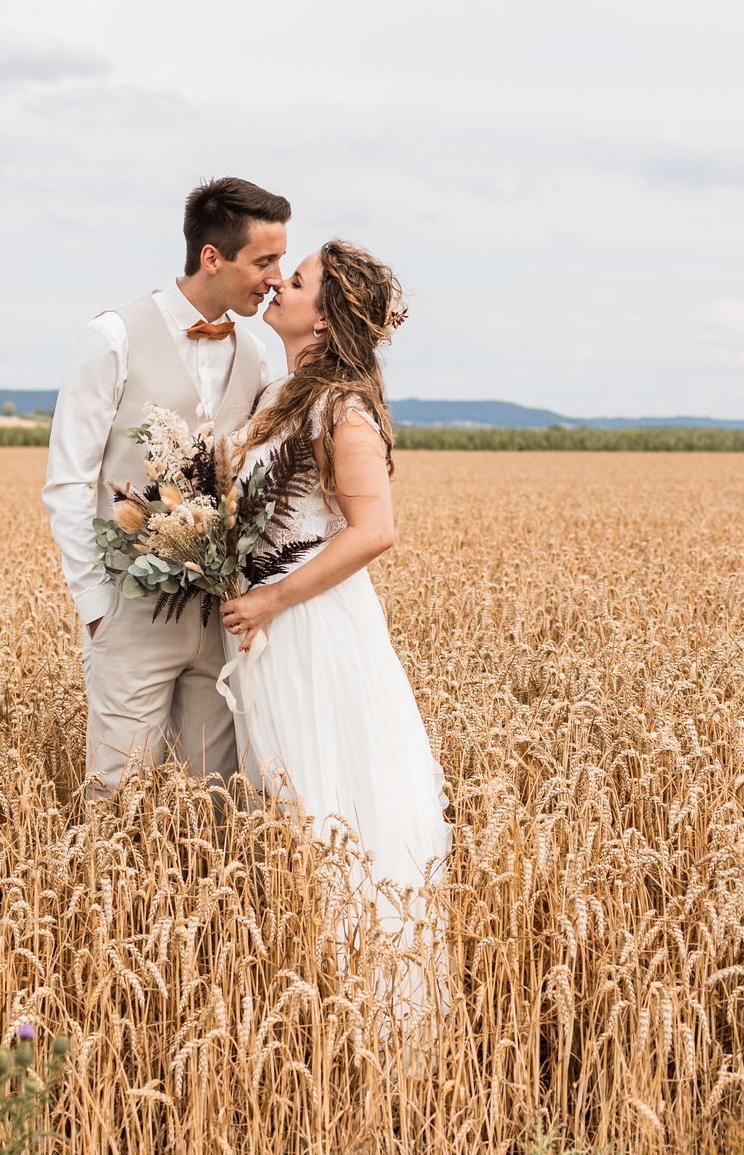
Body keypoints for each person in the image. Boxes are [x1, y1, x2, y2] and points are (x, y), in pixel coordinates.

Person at [218, 240, 451, 1010]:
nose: (280, 281)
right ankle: (311, 997)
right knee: (290, 807)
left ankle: (374, 1002)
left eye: (301, 277)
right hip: (272, 627)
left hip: (316, 632)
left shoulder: (340, 406)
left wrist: (271, 600)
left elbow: (374, 530)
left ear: (325, 319)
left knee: (330, 801)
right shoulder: (282, 396)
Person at [42, 177, 286, 799]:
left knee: (217, 797)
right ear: (213, 257)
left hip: (221, 619)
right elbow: (69, 482)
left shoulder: (259, 355)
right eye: (264, 260)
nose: (276, 277)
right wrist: (99, 611)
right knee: (117, 795)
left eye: (281, 261)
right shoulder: (112, 338)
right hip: (132, 610)